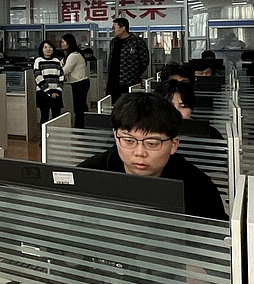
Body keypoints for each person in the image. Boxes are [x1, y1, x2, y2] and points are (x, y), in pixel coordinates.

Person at [78, 93, 226, 220]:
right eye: (129, 141)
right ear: (116, 137)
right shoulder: (89, 174)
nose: (139, 152)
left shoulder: (197, 188)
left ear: (173, 145)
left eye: (152, 144)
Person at [153, 79, 224, 140]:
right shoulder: (151, 132)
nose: (176, 111)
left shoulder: (210, 134)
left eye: (183, 106)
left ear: (191, 109)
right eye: (170, 106)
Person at [106, 17, 149, 102]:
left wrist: (134, 74)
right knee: (113, 103)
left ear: (123, 28)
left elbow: (144, 61)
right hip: (113, 80)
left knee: (128, 104)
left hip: (129, 81)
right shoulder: (113, 42)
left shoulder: (137, 42)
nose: (113, 30)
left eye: (114, 28)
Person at [60, 34, 90, 129]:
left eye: (63, 42)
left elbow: (65, 70)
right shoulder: (69, 55)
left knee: (79, 107)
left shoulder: (74, 55)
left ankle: (81, 127)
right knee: (80, 106)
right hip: (78, 83)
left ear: (69, 43)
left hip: (80, 83)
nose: (61, 44)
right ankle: (82, 126)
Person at [33, 41, 64, 125]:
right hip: (43, 92)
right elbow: (38, 77)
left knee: (57, 116)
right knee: (44, 116)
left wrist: (58, 91)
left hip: (56, 93)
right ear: (42, 50)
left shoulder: (57, 61)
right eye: (45, 47)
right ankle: (43, 133)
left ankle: (55, 133)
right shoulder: (38, 61)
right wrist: (49, 92)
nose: (48, 49)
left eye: (50, 47)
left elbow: (61, 77)